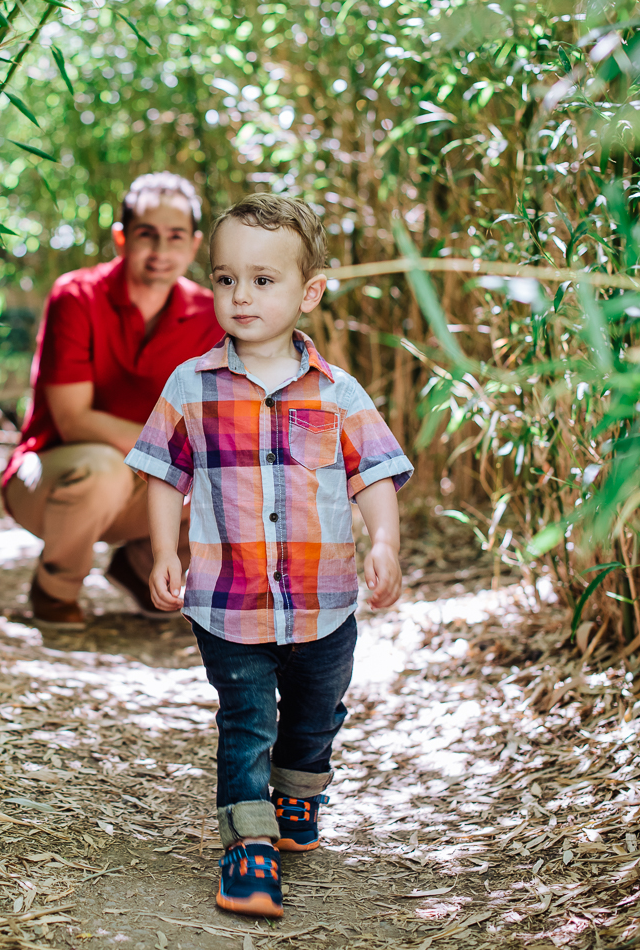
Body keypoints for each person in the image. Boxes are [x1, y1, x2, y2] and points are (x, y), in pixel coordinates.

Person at [124, 194, 412, 918]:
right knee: (245, 718)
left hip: (326, 599)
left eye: (263, 280)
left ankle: (299, 791)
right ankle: (247, 846)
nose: (241, 296)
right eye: (225, 279)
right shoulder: (192, 385)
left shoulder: (338, 392)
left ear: (308, 291)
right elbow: (164, 472)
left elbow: (372, 473)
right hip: (227, 600)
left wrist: (385, 542)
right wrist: (164, 550)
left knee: (317, 714)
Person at [2, 173, 226, 629]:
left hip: (146, 488)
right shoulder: (77, 296)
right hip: (54, 477)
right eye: (147, 235)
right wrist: (172, 452)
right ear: (121, 238)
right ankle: (55, 588)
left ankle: (142, 565)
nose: (161, 251)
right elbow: (72, 420)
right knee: (105, 468)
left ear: (194, 244)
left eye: (175, 237)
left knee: (235, 477)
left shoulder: (210, 315)